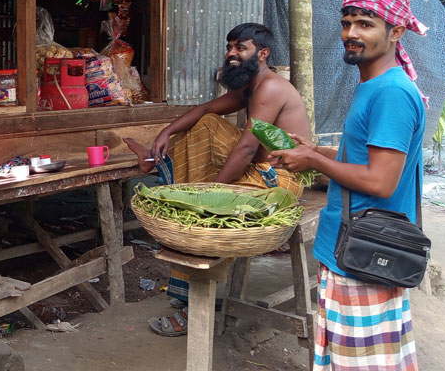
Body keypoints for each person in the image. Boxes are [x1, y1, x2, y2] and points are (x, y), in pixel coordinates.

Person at [271, 0, 425, 370]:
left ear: (396, 32)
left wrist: (314, 163)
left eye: (365, 24)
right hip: (350, 244)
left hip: (366, 250)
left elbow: (380, 181)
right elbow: (366, 156)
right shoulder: (373, 84)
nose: (351, 33)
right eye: (346, 22)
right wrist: (314, 150)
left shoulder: (390, 92)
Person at [124, 22, 313, 337]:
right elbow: (208, 108)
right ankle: (157, 162)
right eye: (230, 47)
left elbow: (248, 147)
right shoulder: (253, 85)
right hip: (258, 168)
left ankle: (192, 308)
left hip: (279, 181)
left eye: (241, 47)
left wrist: (208, 193)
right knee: (209, 124)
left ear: (263, 53)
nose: (231, 53)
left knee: (200, 214)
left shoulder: (271, 87)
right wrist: (166, 131)